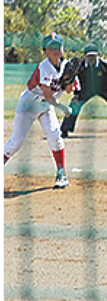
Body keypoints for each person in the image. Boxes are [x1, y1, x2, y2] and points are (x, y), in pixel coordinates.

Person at [3, 33, 71, 189]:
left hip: (46, 107)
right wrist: (63, 108)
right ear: (45, 51)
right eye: (51, 48)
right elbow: (48, 96)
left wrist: (70, 79)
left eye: (57, 47)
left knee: (55, 136)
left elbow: (68, 90)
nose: (55, 50)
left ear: (62, 49)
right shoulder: (44, 67)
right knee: (16, 143)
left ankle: (61, 173)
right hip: (29, 104)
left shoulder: (67, 66)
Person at [58, 42, 107, 139]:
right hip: (86, 90)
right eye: (89, 56)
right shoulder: (80, 65)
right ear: (85, 56)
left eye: (94, 56)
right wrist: (77, 95)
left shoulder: (104, 65)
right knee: (74, 104)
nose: (91, 59)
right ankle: (64, 131)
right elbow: (75, 81)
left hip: (103, 89)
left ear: (98, 55)